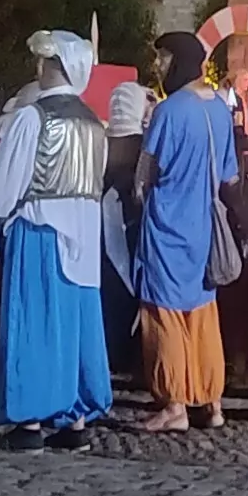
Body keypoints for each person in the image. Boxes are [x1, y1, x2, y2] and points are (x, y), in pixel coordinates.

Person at [0, 31, 111, 449]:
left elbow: (5, 180)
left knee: (36, 323)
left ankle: (30, 421)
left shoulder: (31, 117)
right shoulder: (94, 122)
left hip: (39, 230)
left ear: (44, 68)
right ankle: (73, 420)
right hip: (84, 232)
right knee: (74, 323)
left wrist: (2, 211)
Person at [129, 32, 237, 433]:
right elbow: (229, 174)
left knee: (166, 315)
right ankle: (212, 401)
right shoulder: (221, 111)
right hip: (204, 226)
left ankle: (174, 403)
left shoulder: (169, 111)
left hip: (168, 224)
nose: (159, 67)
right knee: (203, 314)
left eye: (164, 59)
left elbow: (148, 171)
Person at [100, 81, 152, 381]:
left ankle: (113, 349)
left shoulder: (104, 141)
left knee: (113, 290)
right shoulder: (143, 143)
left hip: (108, 226)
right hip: (130, 224)